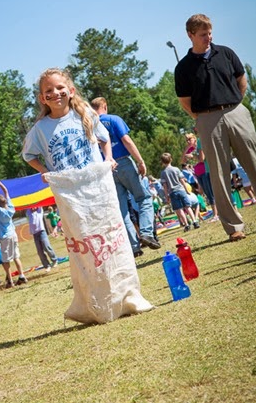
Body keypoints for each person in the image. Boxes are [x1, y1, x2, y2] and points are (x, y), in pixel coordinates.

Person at [22, 67, 154, 318]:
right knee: (86, 245)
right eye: (48, 90)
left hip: (98, 188)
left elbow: (104, 139)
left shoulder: (84, 114)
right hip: (72, 195)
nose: (55, 93)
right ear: (42, 98)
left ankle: (126, 296)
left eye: (60, 88)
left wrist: (109, 159)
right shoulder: (40, 129)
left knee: (111, 237)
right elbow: (28, 155)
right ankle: (97, 303)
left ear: (70, 91)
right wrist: (44, 171)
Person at [175, 13, 256, 241]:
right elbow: (185, 101)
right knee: (219, 176)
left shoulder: (226, 53)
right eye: (202, 34)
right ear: (190, 35)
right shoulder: (183, 68)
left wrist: (235, 105)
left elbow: (242, 80)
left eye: (209, 33)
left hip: (236, 112)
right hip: (207, 119)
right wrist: (203, 118)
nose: (208, 37)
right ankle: (234, 228)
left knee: (254, 162)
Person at [91, 96, 160, 257]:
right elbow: (126, 140)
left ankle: (134, 247)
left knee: (121, 209)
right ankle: (146, 232)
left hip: (106, 169)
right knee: (143, 198)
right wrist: (140, 161)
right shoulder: (113, 119)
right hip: (124, 163)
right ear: (105, 106)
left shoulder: (90, 126)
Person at [0, 178, 27, 288]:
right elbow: (6, 191)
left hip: (5, 237)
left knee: (6, 260)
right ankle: (22, 275)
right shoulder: (10, 208)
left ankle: (10, 280)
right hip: (13, 235)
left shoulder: (0, 211)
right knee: (16, 256)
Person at [160, 153, 199, 232]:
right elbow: (182, 180)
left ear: (162, 162)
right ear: (171, 159)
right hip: (181, 190)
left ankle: (186, 224)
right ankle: (195, 221)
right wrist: (186, 189)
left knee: (179, 209)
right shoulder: (176, 169)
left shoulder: (163, 173)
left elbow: (165, 186)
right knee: (188, 207)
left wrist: (167, 195)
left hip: (172, 192)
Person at [26, 207, 58, 272]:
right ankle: (47, 265)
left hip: (42, 232)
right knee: (40, 251)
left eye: (34, 206)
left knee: (47, 246)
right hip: (35, 234)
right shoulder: (29, 213)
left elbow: (39, 205)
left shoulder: (39, 211)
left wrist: (36, 205)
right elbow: (28, 207)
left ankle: (54, 260)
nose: (33, 207)